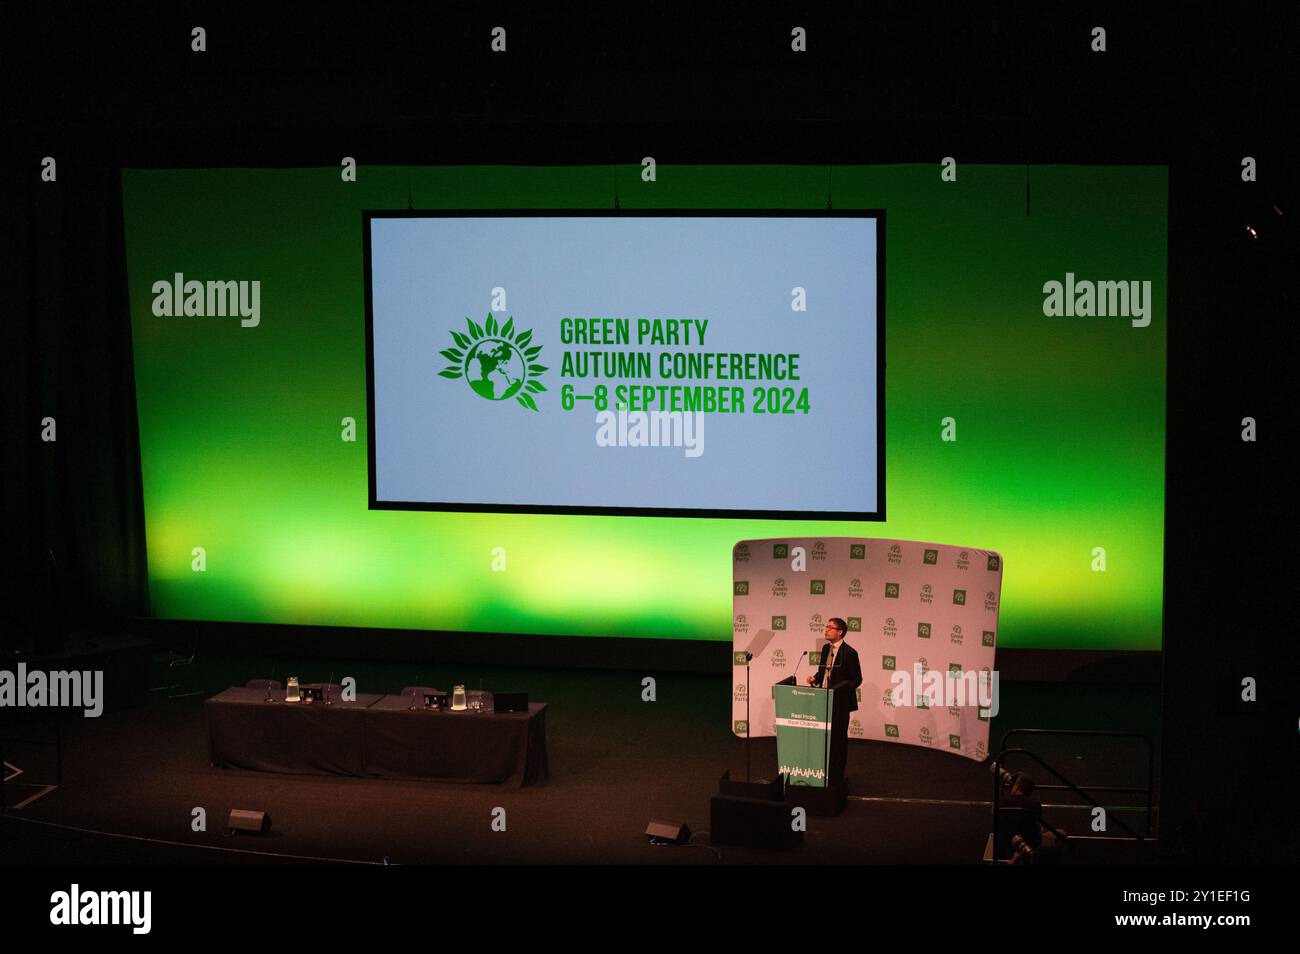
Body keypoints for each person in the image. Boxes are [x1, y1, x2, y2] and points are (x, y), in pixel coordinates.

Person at [803, 617, 861, 785]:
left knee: (838, 740)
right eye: (826, 627)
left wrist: (841, 690)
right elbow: (822, 673)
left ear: (840, 632)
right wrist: (815, 678)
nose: (825, 630)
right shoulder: (825, 649)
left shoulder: (849, 653)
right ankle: (823, 770)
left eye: (829, 627)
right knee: (824, 739)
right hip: (823, 700)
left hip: (840, 704)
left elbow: (857, 679)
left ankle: (837, 775)